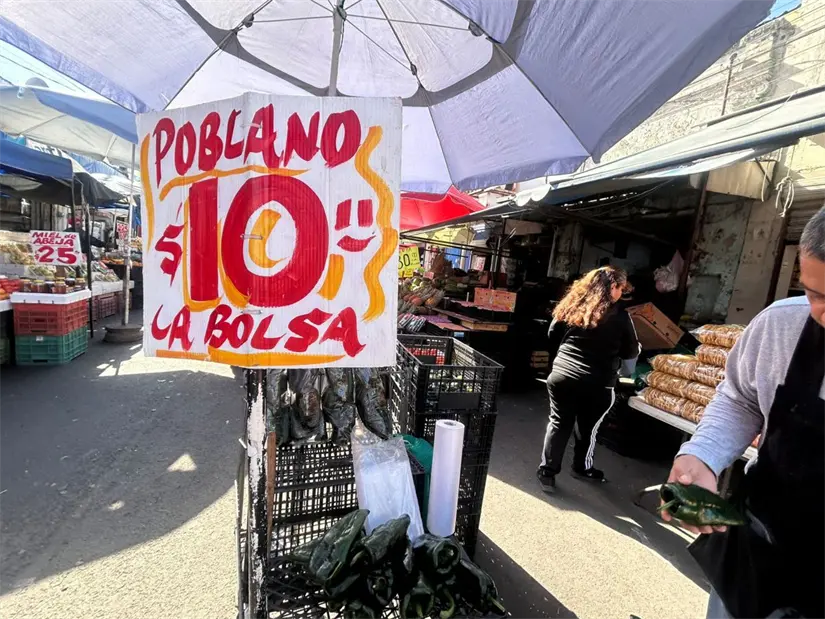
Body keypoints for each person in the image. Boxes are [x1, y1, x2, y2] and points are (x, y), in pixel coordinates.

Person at [664, 206, 825, 619]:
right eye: (815, 294)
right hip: (759, 547)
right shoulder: (779, 327)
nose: (822, 313)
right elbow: (739, 398)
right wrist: (702, 455)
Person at [536, 266, 640, 492]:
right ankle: (581, 467)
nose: (621, 293)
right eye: (620, 288)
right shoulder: (620, 316)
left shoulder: (571, 306)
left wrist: (564, 357)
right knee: (587, 429)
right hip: (598, 382)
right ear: (613, 287)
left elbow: (552, 335)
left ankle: (547, 472)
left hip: (563, 375)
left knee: (559, 422)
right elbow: (630, 352)